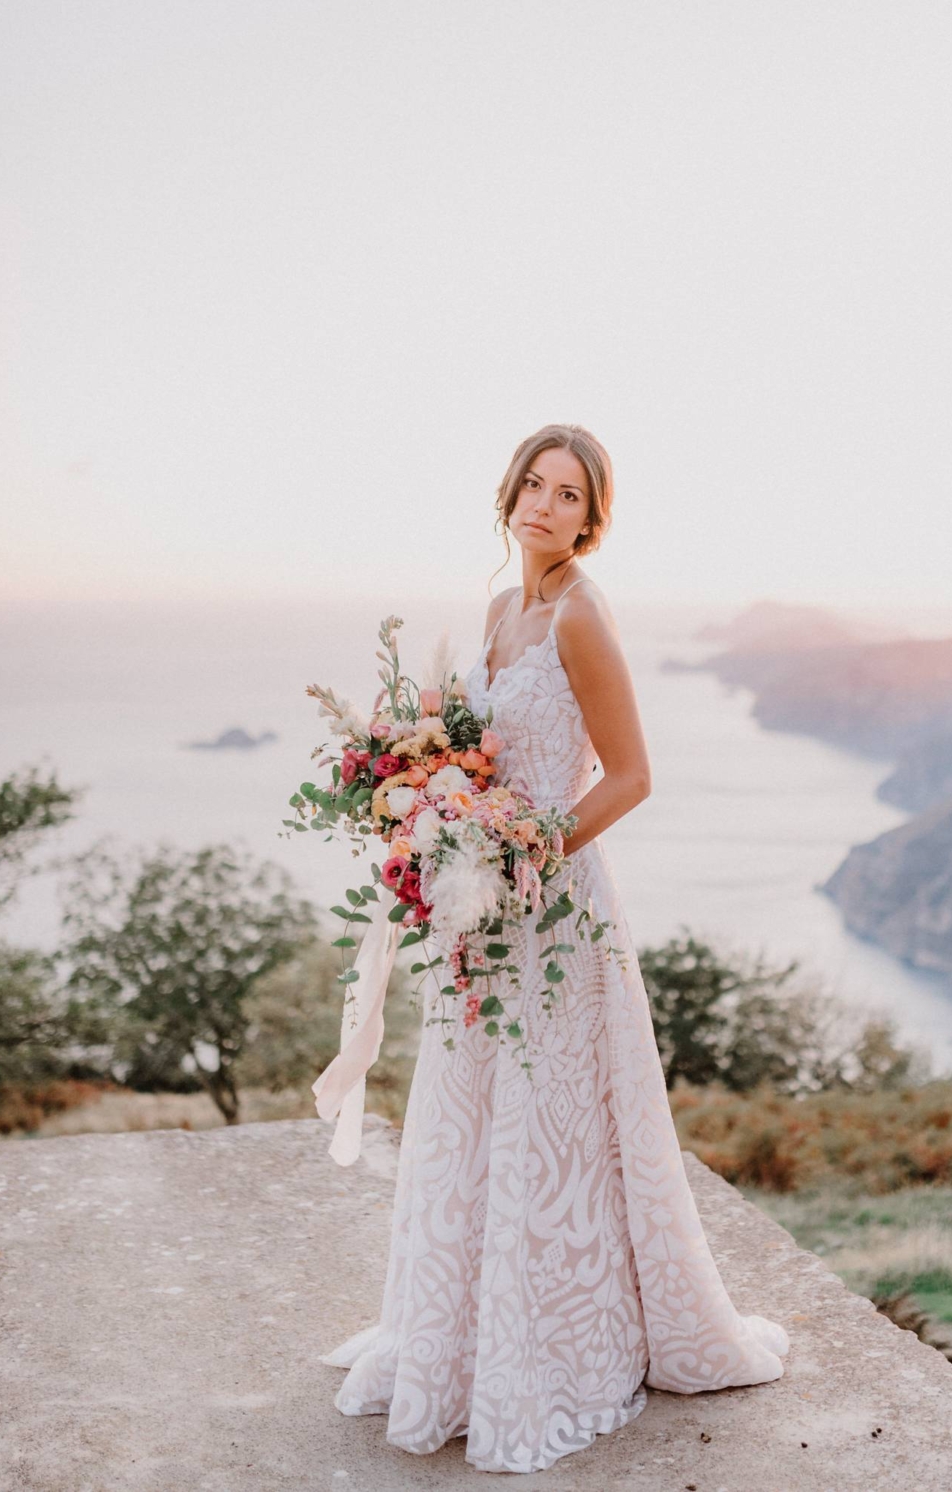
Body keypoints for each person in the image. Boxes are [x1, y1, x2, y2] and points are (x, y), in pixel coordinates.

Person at [316, 424, 790, 1473]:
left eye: (567, 493)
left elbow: (630, 774)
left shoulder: (581, 614)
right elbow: (476, 752)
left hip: (554, 906)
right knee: (473, 1114)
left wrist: (530, 851)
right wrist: (440, 830)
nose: (543, 503)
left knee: (554, 1122)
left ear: (592, 516)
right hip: (477, 908)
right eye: (533, 483)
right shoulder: (498, 608)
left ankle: (562, 1346)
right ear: (510, 492)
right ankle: (462, 1336)